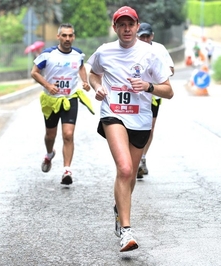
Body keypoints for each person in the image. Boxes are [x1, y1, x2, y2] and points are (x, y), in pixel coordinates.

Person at [87, 6, 174, 252]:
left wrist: (148, 87)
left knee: (130, 175)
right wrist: (98, 87)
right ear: (115, 28)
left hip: (141, 119)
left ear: (137, 27)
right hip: (112, 114)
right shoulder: (104, 51)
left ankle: (118, 208)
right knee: (124, 168)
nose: (126, 29)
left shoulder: (151, 54)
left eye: (130, 24)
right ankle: (126, 231)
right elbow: (93, 74)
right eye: (121, 25)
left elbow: (169, 91)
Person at [31, 23, 94, 185]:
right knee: (50, 135)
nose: (67, 39)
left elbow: (81, 67)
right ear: (58, 36)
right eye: (64, 35)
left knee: (68, 134)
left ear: (73, 37)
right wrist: (48, 86)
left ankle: (67, 170)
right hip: (51, 100)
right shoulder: (48, 55)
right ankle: (49, 153)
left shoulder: (78, 54)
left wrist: (85, 82)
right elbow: (34, 73)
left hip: (70, 98)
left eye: (70, 35)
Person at [136, 22, 174, 179]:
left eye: (147, 36)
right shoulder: (133, 49)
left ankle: (142, 158)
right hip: (136, 95)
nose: (145, 39)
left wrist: (157, 74)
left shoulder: (159, 49)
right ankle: (134, 159)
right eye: (142, 36)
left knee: (149, 128)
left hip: (154, 95)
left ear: (152, 36)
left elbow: (171, 69)